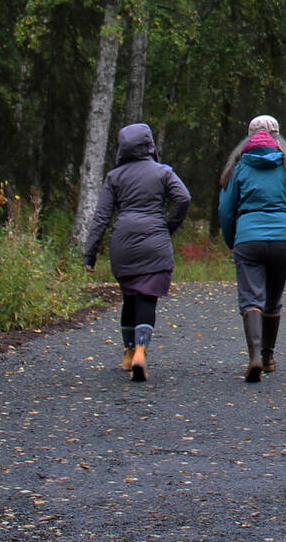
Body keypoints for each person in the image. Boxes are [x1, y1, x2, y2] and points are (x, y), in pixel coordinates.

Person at [82, 123, 190, 383]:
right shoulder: (163, 173)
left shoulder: (115, 177)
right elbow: (183, 198)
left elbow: (101, 217)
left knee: (129, 297)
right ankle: (142, 349)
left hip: (124, 243)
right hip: (155, 241)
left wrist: (90, 253)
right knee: (147, 298)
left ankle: (129, 353)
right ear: (149, 145)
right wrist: (169, 225)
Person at [216, 114, 286, 383]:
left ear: (249, 136)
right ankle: (269, 357)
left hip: (248, 238)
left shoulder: (239, 168)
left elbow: (226, 210)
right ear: (279, 135)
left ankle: (254, 357)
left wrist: (232, 239)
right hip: (284, 240)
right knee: (273, 298)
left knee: (251, 298)